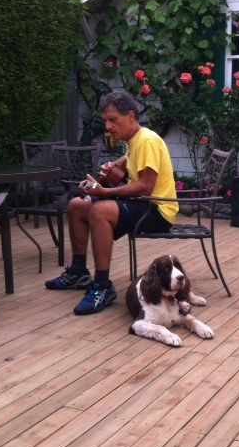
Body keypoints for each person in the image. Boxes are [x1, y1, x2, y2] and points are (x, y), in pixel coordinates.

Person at [45, 89, 179, 315]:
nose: (107, 126)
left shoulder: (146, 140)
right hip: (142, 204)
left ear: (131, 117)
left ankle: (102, 286)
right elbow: (126, 163)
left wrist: (104, 192)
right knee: (77, 206)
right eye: (106, 120)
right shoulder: (134, 141)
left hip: (157, 210)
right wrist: (110, 170)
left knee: (100, 210)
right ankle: (79, 272)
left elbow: (145, 186)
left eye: (113, 120)